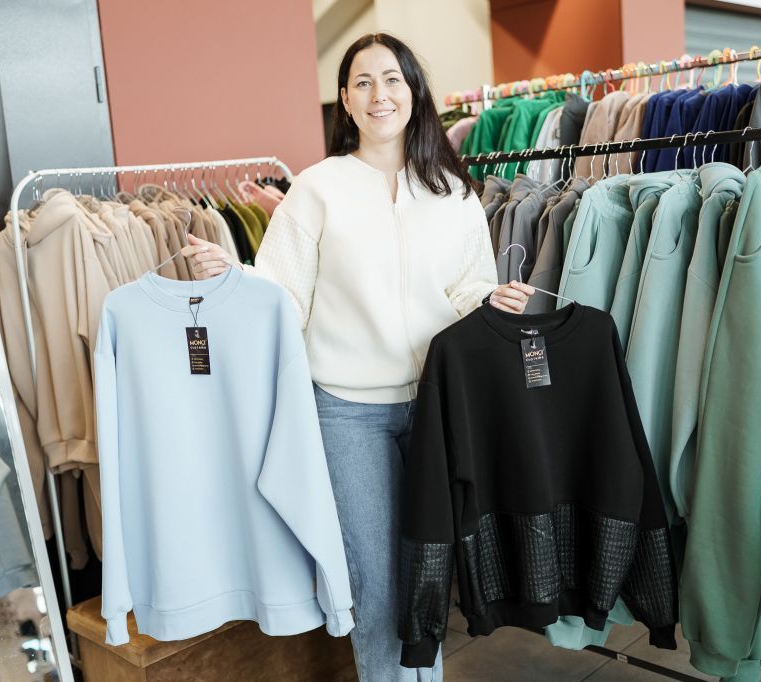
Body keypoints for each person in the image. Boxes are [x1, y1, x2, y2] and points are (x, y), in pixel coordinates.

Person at [183, 32, 533, 681]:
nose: (380, 94)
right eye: (364, 82)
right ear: (345, 99)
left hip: (436, 406)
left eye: (393, 79)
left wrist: (495, 301)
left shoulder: (454, 191)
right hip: (347, 413)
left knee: (429, 570)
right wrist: (234, 275)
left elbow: (468, 288)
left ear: (413, 91)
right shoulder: (317, 189)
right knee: (374, 579)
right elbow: (284, 293)